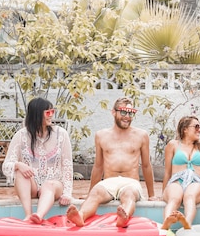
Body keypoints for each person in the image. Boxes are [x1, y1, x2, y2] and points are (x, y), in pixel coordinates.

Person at [66, 97, 156, 228]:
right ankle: (81, 216)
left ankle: (124, 217)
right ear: (113, 112)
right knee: (96, 193)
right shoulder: (101, 135)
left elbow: (147, 165)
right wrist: (90, 191)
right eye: (123, 112)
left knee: (129, 195)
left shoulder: (141, 135)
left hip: (130, 182)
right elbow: (98, 166)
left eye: (131, 113)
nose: (127, 117)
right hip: (108, 182)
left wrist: (152, 195)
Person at [2, 97, 73, 224]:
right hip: (32, 186)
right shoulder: (21, 136)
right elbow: (6, 166)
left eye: (52, 111)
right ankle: (28, 215)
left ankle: (38, 215)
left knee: (49, 185)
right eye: (47, 113)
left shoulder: (61, 134)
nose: (51, 115)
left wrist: (67, 193)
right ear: (36, 114)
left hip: (54, 186)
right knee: (20, 172)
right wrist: (18, 165)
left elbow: (67, 165)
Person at [160, 116, 200, 230]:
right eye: (196, 127)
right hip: (176, 180)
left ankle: (187, 224)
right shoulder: (173, 145)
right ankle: (166, 224)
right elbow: (167, 172)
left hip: (196, 181)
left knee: (190, 196)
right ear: (185, 129)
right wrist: (163, 193)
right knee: (174, 198)